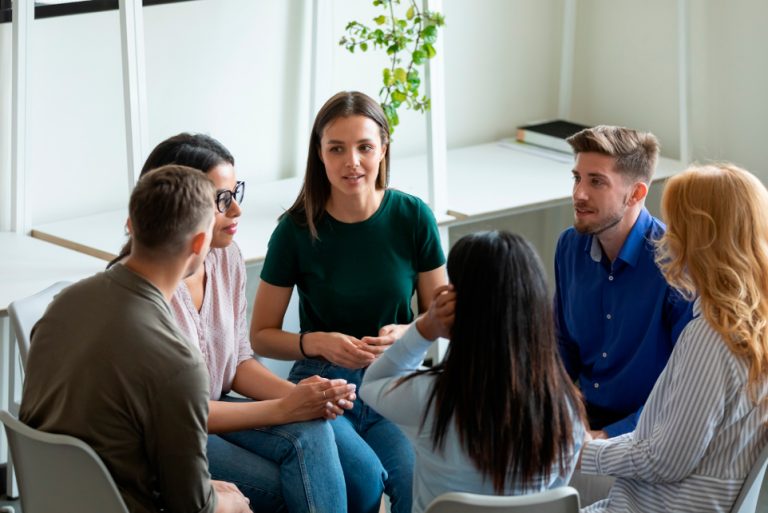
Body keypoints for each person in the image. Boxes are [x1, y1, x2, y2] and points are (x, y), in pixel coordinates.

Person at [110, 133, 359, 513]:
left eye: (235, 192)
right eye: (221, 200)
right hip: (170, 435)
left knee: (315, 434)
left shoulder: (225, 258)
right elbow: (175, 414)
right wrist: (286, 405)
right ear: (179, 204)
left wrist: (299, 397)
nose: (237, 210)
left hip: (216, 406)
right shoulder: (143, 292)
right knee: (286, 488)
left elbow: (238, 360)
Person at [251, 91, 448, 513]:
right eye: (336, 149)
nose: (351, 162)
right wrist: (316, 342)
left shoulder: (413, 217)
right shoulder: (295, 230)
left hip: (395, 380)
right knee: (363, 482)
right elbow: (261, 336)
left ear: (383, 148)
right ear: (319, 154)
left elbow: (441, 318)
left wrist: (408, 333)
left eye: (364, 147)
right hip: (323, 384)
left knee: (417, 486)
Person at [20, 165, 250, 513]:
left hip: (54, 499)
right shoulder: (179, 364)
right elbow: (192, 508)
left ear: (131, 223)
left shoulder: (62, 305)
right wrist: (228, 503)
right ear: (200, 243)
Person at [579, 163, 768, 512]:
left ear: (701, 238)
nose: (665, 239)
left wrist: (578, 453)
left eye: (676, 227)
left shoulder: (711, 338)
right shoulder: (752, 326)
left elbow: (664, 460)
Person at [360, 231, 586, 513]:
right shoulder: (564, 409)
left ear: (459, 307)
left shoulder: (432, 400)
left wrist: (425, 328)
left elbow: (372, 384)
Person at [554, 125, 693, 439]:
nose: (579, 194)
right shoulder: (569, 246)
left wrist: (611, 435)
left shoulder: (676, 262)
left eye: (597, 182)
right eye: (577, 178)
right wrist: (553, 411)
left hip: (650, 429)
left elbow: (685, 385)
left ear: (636, 193)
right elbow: (562, 346)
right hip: (582, 417)